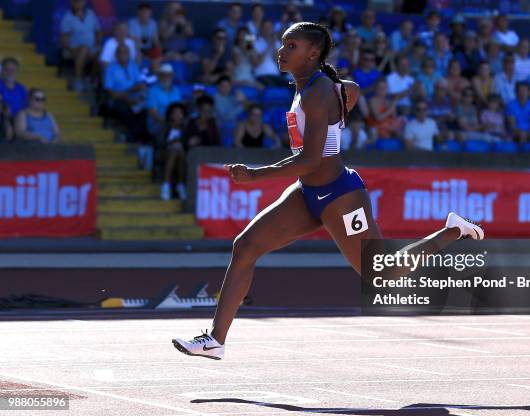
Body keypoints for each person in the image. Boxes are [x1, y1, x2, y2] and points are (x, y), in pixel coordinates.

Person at [171, 22, 484, 360]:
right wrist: (338, 98)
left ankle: (453, 229)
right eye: (283, 44)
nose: (281, 51)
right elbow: (352, 91)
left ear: (313, 53)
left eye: (291, 46)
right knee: (245, 246)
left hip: (339, 195)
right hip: (308, 193)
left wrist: (255, 176)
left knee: (383, 275)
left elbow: (310, 158)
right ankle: (216, 339)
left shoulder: (318, 91)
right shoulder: (314, 87)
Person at [103, 44, 147, 143]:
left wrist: (126, 92)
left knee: (145, 110)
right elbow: (110, 91)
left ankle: (133, 136)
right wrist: (127, 97)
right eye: (121, 52)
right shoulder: (111, 68)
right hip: (118, 99)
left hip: (132, 96)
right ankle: (131, 136)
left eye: (126, 52)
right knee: (124, 108)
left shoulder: (133, 65)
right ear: (116, 54)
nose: (123, 54)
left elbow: (140, 84)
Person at [60, 0, 102, 92]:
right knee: (84, 49)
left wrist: (98, 43)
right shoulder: (67, 17)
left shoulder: (91, 14)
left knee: (102, 53)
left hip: (91, 47)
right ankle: (78, 80)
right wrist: (70, 49)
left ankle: (92, 77)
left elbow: (98, 31)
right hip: (74, 48)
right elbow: (64, 38)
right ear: (72, 3)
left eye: (81, 2)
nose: (78, 4)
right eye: (76, 2)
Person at [159, 102, 188, 200]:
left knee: (179, 152)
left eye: (180, 113)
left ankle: (180, 185)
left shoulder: (185, 128)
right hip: (165, 153)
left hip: (181, 155)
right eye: (175, 113)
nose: (178, 116)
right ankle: (167, 185)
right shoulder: (166, 127)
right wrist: (172, 142)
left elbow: (187, 143)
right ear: (171, 115)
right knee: (174, 151)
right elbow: (160, 143)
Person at [146, 63, 182, 138]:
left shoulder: (176, 90)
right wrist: (167, 123)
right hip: (159, 125)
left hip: (174, 124)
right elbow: (153, 113)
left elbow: (179, 109)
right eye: (163, 75)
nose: (166, 77)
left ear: (172, 76)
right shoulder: (153, 91)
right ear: (159, 77)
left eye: (168, 75)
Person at [128, 2, 162, 70]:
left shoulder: (153, 23)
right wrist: (138, 41)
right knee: (137, 51)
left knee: (157, 52)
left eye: (147, 12)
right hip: (136, 48)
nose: (145, 14)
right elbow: (130, 38)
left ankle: (155, 75)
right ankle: (139, 74)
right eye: (143, 12)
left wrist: (159, 50)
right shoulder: (132, 22)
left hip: (148, 48)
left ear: (150, 13)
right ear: (139, 12)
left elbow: (155, 39)